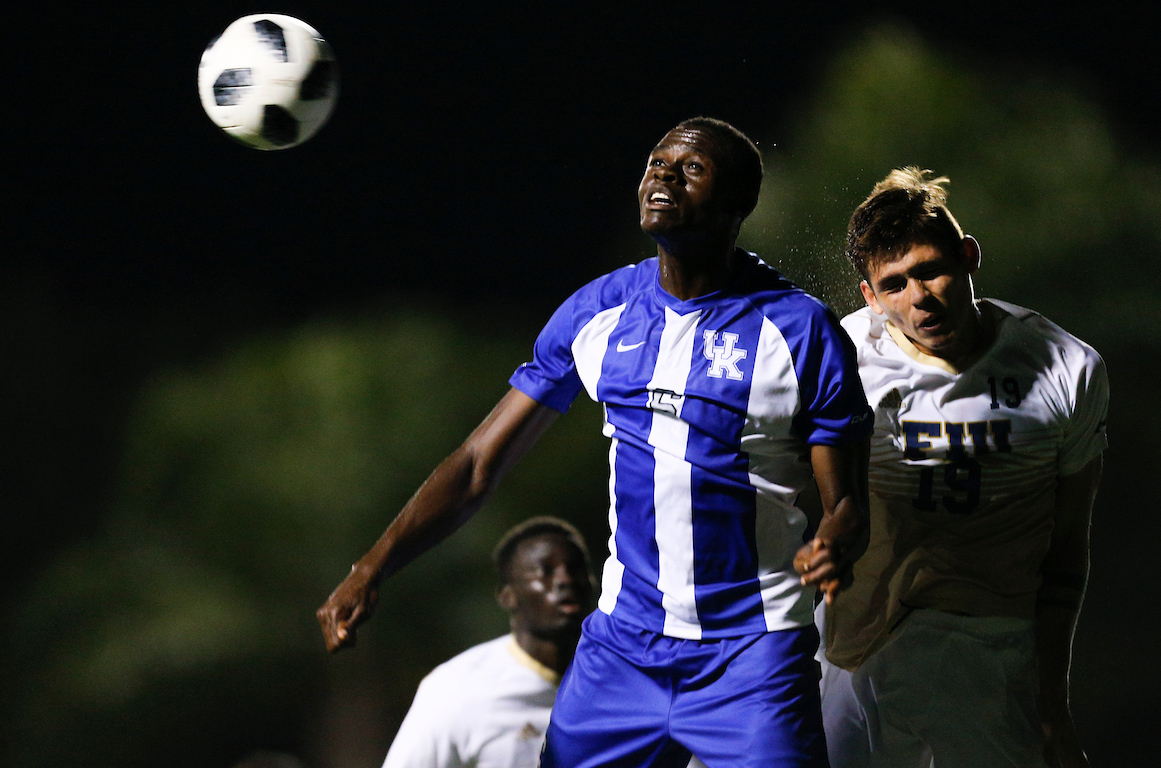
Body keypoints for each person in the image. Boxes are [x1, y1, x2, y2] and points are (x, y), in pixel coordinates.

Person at [318, 117, 874, 768]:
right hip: (622, 653)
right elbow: (476, 466)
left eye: (691, 168)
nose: (663, 175)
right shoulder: (599, 311)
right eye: (656, 163)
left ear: (738, 203)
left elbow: (849, 508)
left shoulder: (801, 330)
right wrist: (371, 566)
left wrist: (835, 541)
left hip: (750, 656)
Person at [818, 167, 1108, 768]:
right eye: (894, 284)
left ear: (969, 256)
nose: (919, 297)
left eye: (930, 269)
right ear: (869, 298)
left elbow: (1066, 555)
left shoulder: (1066, 368)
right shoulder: (839, 363)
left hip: (993, 659)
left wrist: (1052, 706)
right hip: (859, 653)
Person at [380, 516, 594, 768]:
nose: (565, 580)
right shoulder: (456, 689)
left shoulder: (620, 680)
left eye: (576, 569)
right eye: (544, 571)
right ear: (508, 597)